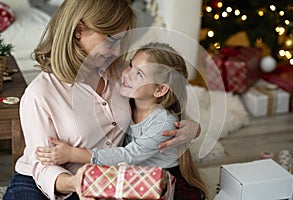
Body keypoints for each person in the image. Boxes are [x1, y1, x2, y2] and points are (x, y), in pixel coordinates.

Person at [3, 0, 200, 200]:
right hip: (45, 182)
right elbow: (43, 167)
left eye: (121, 41)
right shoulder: (40, 93)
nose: (117, 51)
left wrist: (191, 127)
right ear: (79, 30)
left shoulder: (120, 72)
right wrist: (75, 182)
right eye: (111, 41)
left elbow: (156, 100)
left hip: (103, 179)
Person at [36, 42, 208, 200]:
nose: (126, 74)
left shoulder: (163, 123)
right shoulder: (127, 101)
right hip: (136, 178)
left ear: (160, 89)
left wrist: (73, 154)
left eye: (139, 73)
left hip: (164, 181)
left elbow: (128, 155)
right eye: (131, 65)